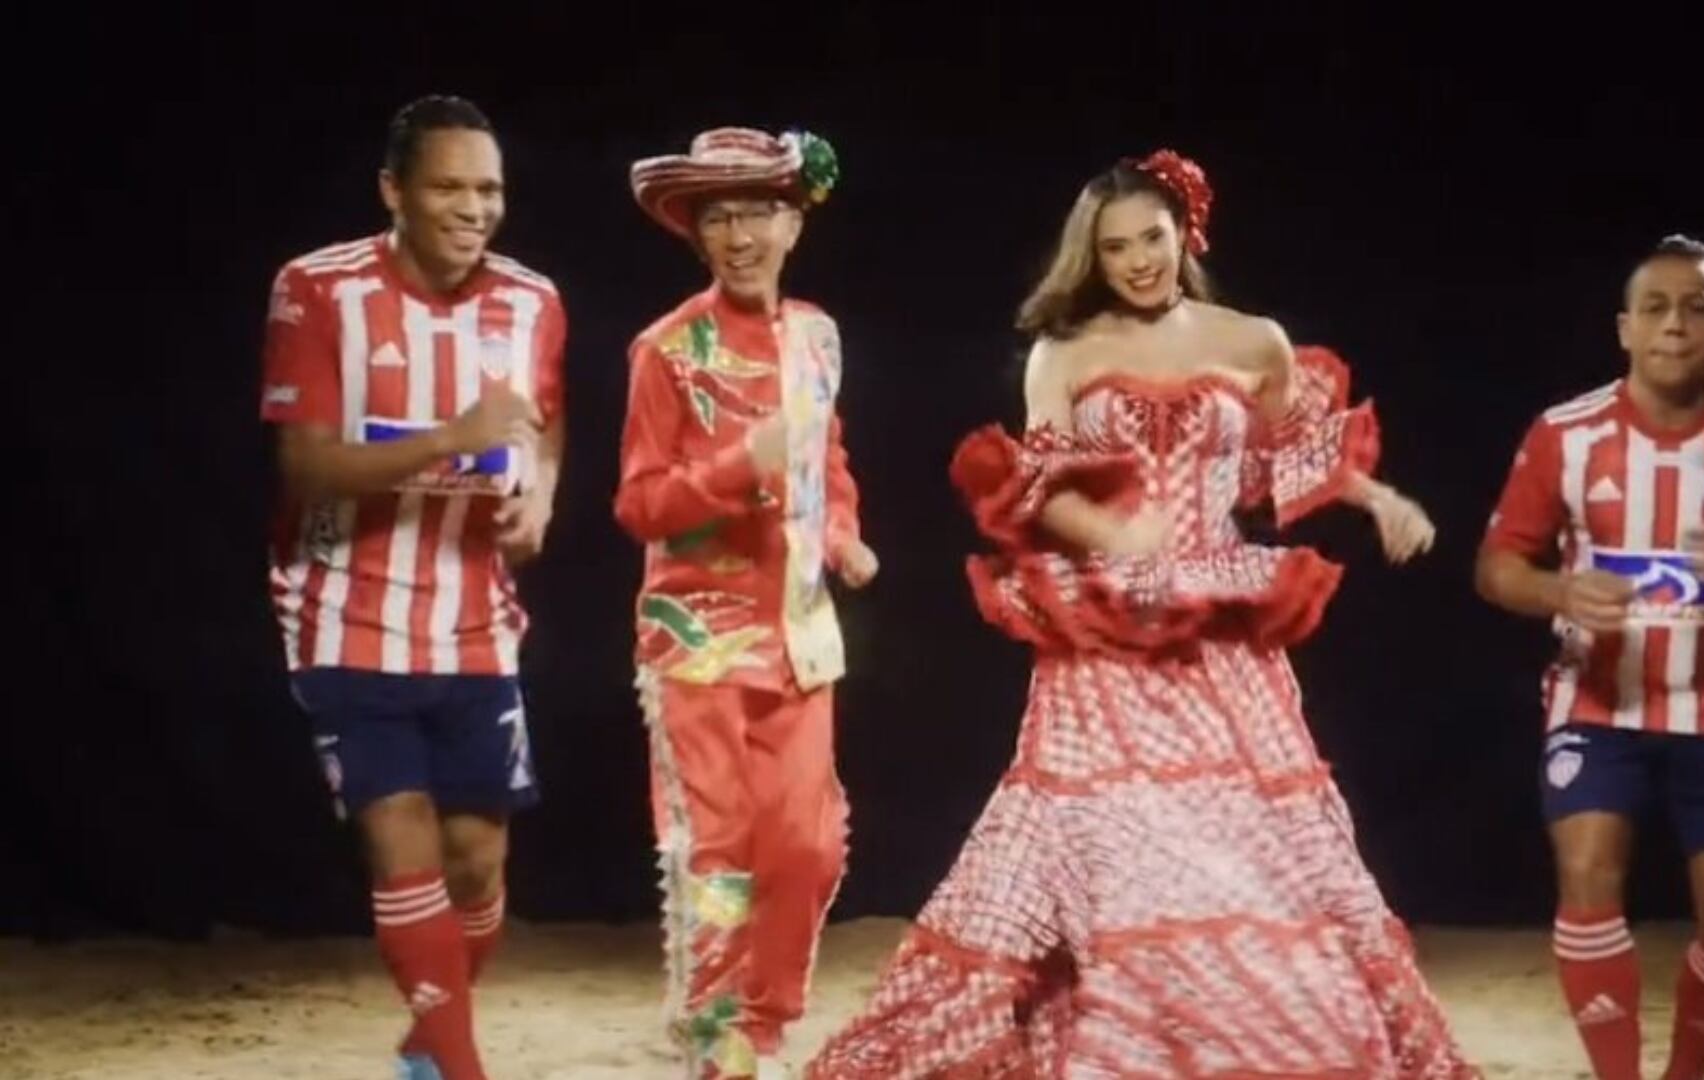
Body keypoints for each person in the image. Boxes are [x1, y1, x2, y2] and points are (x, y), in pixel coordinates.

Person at [808, 150, 1475, 1078]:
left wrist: (1377, 499)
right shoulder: (1067, 353)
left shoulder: (1253, 342)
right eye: (1116, 247)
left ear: (1184, 235)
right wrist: (1118, 538)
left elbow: (1290, 457)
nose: (1137, 261)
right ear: (1093, 255)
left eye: (1151, 239)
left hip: (1219, 628)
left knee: (1247, 845)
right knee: (1122, 849)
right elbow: (1036, 488)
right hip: (1106, 635)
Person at [259, 94, 567, 1080]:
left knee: (478, 861)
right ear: (394, 190)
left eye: (490, 189)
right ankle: (461, 1068)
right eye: (449, 186)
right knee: (402, 842)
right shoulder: (316, 290)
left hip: (476, 619)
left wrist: (542, 495)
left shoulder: (534, 300)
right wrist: (450, 440)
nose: (474, 208)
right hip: (345, 607)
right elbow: (305, 466)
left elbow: (541, 419)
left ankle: (428, 1051)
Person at [1474, 235, 1704, 1080]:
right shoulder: (1566, 432)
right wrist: (1563, 593)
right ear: (1624, 329)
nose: (1675, 325)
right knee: (1589, 872)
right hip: (1596, 700)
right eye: (1657, 308)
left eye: (1697, 307)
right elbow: (1496, 568)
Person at [617, 127, 878, 1080]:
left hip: (801, 635)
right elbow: (640, 503)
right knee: (714, 845)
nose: (740, 234)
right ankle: (714, 1029)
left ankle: (764, 1014)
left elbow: (829, 460)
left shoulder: (817, 336)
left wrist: (842, 531)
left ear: (793, 222)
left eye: (759, 211)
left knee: (809, 844)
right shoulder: (665, 350)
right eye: (718, 216)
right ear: (694, 231)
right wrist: (738, 467)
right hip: (697, 638)